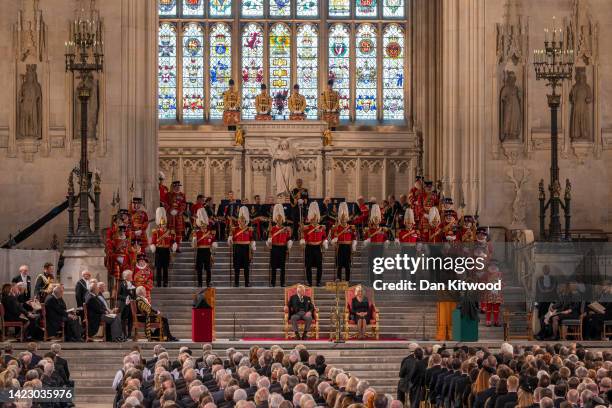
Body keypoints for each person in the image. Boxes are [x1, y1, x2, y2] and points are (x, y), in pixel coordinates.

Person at [301, 202, 328, 287]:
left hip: (317, 247)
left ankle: (318, 282)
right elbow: (304, 237)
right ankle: (309, 282)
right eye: (313, 218)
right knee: (308, 266)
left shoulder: (320, 227)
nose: (314, 219)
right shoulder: (307, 228)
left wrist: (325, 242)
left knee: (319, 266)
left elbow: (324, 237)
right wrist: (302, 241)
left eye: (316, 218)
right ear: (311, 218)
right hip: (309, 247)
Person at [228, 206, 256, 287]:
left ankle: (247, 283)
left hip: (246, 249)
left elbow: (251, 239)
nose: (242, 221)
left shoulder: (249, 229)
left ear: (245, 221)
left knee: (246, 267)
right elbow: (230, 241)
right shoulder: (234, 229)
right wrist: (230, 235)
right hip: (237, 248)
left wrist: (252, 248)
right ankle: (236, 283)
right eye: (240, 220)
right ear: (238, 221)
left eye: (243, 220)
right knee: (237, 266)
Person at [150, 207, 177, 288]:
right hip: (158, 250)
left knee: (165, 268)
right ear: (160, 224)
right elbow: (153, 242)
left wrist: (174, 244)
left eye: (165, 224)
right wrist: (153, 247)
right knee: (158, 268)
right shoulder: (156, 232)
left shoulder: (169, 232)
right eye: (162, 224)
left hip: (166, 250)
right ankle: (158, 283)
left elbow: (172, 240)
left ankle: (165, 283)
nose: (163, 226)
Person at [267, 204, 293, 287]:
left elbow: (288, 238)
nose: (279, 220)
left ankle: (282, 282)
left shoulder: (285, 229)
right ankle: (273, 282)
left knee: (283, 267)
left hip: (282, 248)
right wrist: (269, 242)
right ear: (276, 219)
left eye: (281, 218)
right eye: (278, 218)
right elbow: (269, 238)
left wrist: (289, 246)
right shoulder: (273, 228)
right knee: (273, 266)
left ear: (282, 219)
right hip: (274, 248)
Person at [330, 202, 357, 282]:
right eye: (342, 218)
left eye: (345, 218)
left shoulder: (351, 227)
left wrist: (354, 243)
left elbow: (354, 236)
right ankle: (339, 280)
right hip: (340, 247)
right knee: (339, 265)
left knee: (347, 265)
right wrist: (334, 240)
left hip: (348, 247)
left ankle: (347, 281)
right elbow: (332, 236)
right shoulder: (337, 227)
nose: (343, 219)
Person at [192, 208, 218, 287]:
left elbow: (213, 240)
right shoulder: (197, 233)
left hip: (207, 251)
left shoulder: (210, 233)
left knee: (208, 269)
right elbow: (194, 245)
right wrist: (194, 238)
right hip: (200, 251)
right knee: (199, 269)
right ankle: (200, 283)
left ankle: (208, 283)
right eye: (202, 225)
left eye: (204, 225)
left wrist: (214, 245)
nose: (203, 227)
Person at [166, 180, 187, 249]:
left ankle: (177, 246)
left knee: (179, 231)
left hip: (178, 215)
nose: (178, 187)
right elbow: (165, 204)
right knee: (171, 230)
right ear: (173, 187)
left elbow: (184, 204)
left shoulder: (182, 195)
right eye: (176, 186)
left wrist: (179, 211)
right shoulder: (169, 194)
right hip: (171, 215)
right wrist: (170, 210)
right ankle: (171, 245)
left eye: (179, 186)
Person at [117, 269, 136, 338]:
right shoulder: (121, 284)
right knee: (124, 319)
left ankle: (129, 334)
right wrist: (126, 298)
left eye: (131, 275)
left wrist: (133, 296)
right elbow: (118, 295)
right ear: (126, 276)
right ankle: (124, 334)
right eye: (129, 275)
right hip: (124, 304)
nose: (131, 276)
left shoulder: (133, 283)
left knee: (131, 319)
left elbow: (135, 295)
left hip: (131, 305)